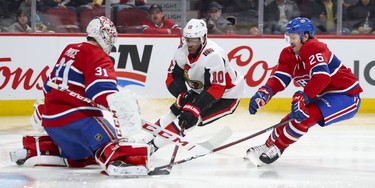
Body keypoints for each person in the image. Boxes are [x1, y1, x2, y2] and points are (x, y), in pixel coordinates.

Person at [9, 16, 150, 176]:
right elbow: (100, 90)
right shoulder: (98, 55)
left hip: (51, 122)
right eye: (110, 38)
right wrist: (120, 105)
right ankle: (118, 162)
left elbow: (48, 85)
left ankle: (35, 149)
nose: (111, 44)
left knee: (83, 152)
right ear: (103, 36)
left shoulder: (70, 48)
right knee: (111, 140)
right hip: (77, 119)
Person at [245, 17, 363, 166]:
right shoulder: (288, 54)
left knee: (305, 117)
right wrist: (264, 93)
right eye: (289, 37)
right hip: (321, 94)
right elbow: (280, 78)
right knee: (291, 117)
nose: (290, 41)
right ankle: (267, 146)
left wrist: (303, 96)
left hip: (346, 96)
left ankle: (278, 147)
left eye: (293, 37)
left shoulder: (315, 47)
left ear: (305, 36)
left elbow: (322, 78)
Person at [140, 18, 244, 154]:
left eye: (193, 40)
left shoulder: (213, 55)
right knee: (175, 111)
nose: (189, 44)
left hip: (227, 95)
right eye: (187, 39)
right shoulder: (182, 51)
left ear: (203, 38)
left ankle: (152, 147)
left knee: (190, 119)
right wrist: (182, 93)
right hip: (202, 90)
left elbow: (217, 88)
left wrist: (194, 109)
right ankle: (143, 142)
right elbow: (173, 76)